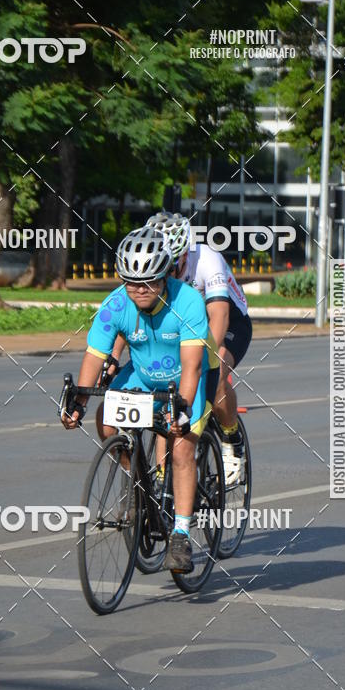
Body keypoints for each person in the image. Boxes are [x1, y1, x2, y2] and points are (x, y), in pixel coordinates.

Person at [60, 225, 219, 573]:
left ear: (165, 276)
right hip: (144, 375)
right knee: (105, 419)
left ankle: (180, 534)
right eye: (131, 282)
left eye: (148, 282)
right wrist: (78, 403)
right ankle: (138, 484)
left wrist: (180, 411)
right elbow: (94, 356)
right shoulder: (116, 303)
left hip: (188, 376)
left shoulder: (188, 301)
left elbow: (192, 367)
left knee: (181, 446)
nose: (139, 290)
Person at [157, 212, 252, 484]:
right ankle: (162, 481)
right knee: (166, 390)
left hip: (230, 321)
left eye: (171, 266)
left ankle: (231, 437)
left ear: (184, 254)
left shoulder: (207, 259)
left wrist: (203, 362)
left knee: (216, 371)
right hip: (187, 323)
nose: (166, 273)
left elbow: (219, 316)